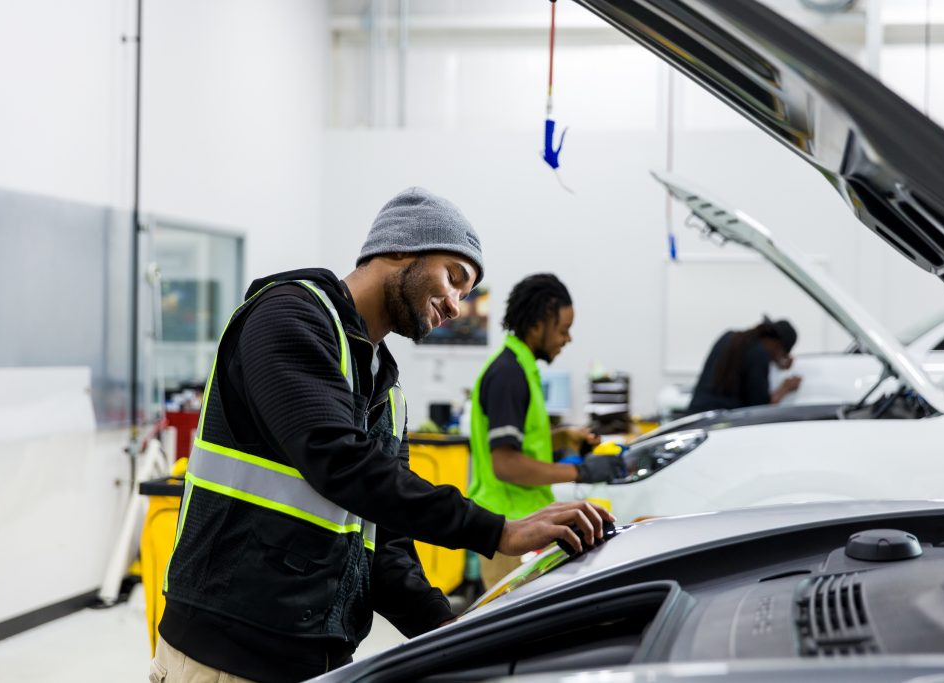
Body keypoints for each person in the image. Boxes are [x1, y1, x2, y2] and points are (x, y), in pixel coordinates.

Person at [152, 188, 612, 683]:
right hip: (224, 658)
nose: (457, 305)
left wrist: (447, 630)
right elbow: (339, 461)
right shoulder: (288, 316)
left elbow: (387, 545)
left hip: (314, 658)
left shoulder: (383, 390)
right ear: (399, 248)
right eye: (454, 279)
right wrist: (496, 530)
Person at [467, 273, 625, 588]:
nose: (567, 339)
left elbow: (517, 445)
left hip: (522, 520)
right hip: (507, 529)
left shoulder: (522, 368)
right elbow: (506, 464)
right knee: (510, 630)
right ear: (538, 324)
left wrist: (563, 438)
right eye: (563, 330)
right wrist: (580, 471)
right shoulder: (509, 375)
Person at [687, 317, 802, 414]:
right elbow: (761, 409)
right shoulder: (759, 354)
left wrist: (779, 363)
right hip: (722, 421)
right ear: (778, 347)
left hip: (696, 414)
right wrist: (785, 388)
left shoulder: (729, 337)